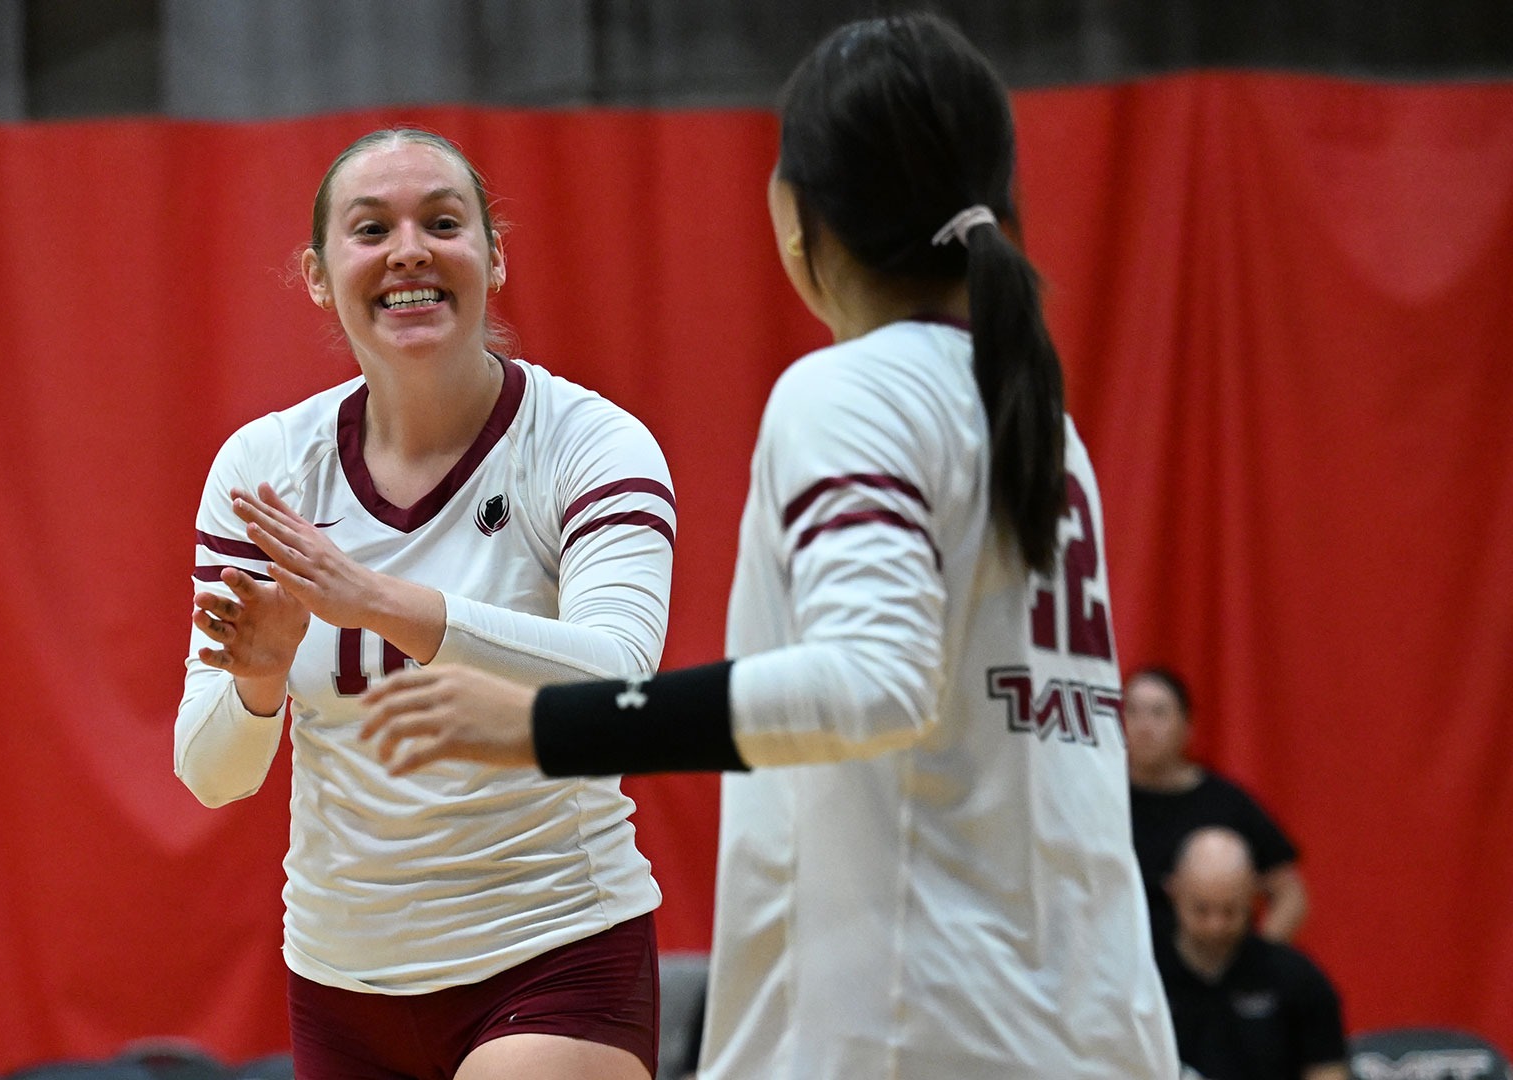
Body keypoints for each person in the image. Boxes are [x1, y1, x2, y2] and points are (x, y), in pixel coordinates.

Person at [359, 15, 1177, 1079]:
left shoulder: (854, 389)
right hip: (1090, 1022)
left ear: (801, 216)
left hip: (917, 1029)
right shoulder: (1030, 414)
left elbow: (875, 683)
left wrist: (546, 723)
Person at [174, 128, 680, 1080]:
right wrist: (257, 681)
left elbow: (618, 685)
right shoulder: (264, 470)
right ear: (321, 277)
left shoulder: (588, 444)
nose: (409, 250)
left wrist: (380, 601)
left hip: (553, 953)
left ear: (494, 257)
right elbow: (212, 775)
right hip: (340, 984)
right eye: (372, 230)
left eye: (442, 223)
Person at [1125, 665, 1309, 947]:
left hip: (1205, 976)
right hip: (1123, 975)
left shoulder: (1225, 803)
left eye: (1158, 713)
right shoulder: (1104, 801)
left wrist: (1257, 962)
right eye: (1132, 711)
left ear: (1188, 726)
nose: (1144, 726)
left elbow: (1290, 894)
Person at [1157, 828, 1348, 1080]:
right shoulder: (1144, 978)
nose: (1216, 925)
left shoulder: (1298, 981)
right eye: (1201, 909)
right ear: (1173, 891)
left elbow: (1328, 1071)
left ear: (1252, 896)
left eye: (1230, 910)